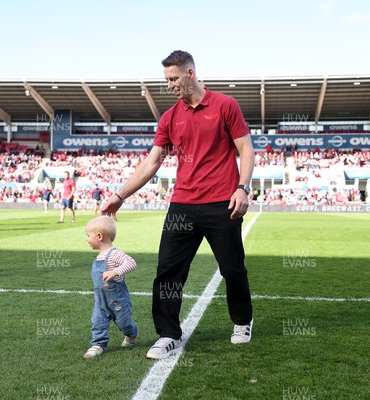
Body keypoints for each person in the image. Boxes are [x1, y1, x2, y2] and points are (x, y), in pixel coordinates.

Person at [101, 50, 254, 360]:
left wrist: (242, 187)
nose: (169, 84)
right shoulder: (170, 117)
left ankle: (242, 321)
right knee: (168, 272)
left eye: (173, 78)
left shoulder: (225, 105)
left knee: (232, 269)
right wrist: (120, 195)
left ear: (190, 74)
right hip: (182, 205)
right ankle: (169, 334)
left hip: (222, 203)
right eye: (166, 79)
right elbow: (153, 161)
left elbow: (246, 149)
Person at [83, 216, 138, 359]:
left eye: (88, 236)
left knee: (124, 323)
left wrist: (115, 272)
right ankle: (98, 344)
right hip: (101, 300)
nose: (87, 239)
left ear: (99, 236)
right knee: (97, 321)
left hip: (118, 300)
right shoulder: (99, 256)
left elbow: (131, 263)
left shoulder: (114, 254)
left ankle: (131, 334)